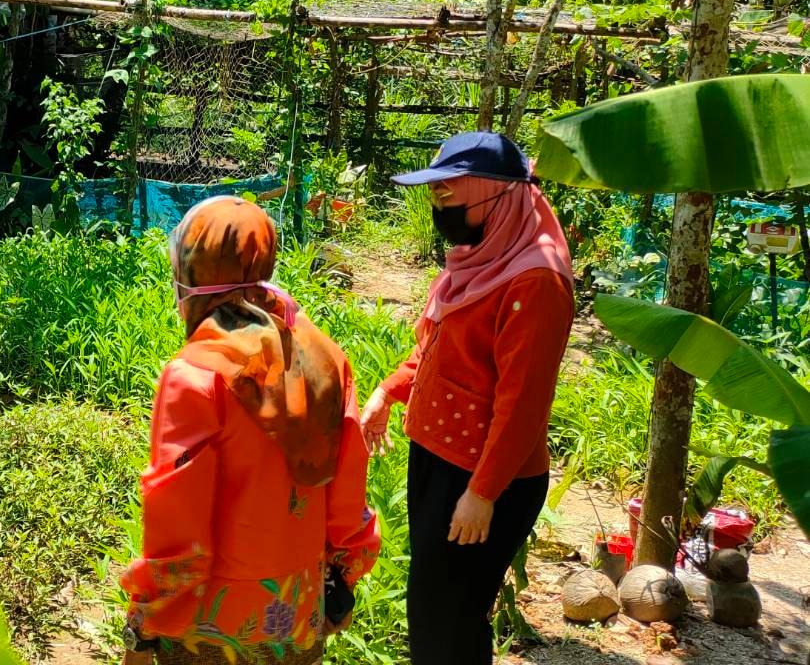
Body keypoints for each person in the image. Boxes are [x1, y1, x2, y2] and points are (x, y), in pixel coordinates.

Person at [121, 197, 379, 665]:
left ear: (192, 273)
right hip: (297, 612)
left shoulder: (194, 375)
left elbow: (177, 524)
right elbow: (347, 494)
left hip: (210, 623)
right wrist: (342, 577)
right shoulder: (324, 357)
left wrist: (144, 624)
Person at [359, 131, 574, 664]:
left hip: (483, 477)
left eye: (447, 196)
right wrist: (389, 392)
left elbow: (523, 401)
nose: (440, 210)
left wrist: (483, 492)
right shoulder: (480, 259)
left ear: (492, 193)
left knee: (449, 613)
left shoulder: (535, 280)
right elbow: (438, 350)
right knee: (436, 606)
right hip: (439, 455)